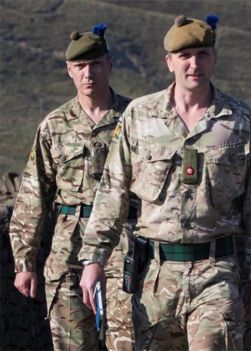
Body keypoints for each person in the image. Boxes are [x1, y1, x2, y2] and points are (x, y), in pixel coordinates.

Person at [77, 15, 251, 349]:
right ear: (169, 62)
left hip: (217, 272)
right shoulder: (140, 116)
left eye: (202, 54)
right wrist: (93, 259)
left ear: (214, 58)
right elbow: (112, 192)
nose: (194, 64)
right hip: (155, 275)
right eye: (185, 56)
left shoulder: (239, 120)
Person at [8, 24, 136, 351]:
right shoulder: (54, 126)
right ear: (69, 71)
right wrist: (25, 263)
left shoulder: (136, 119)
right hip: (68, 252)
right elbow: (32, 197)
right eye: (80, 66)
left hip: (124, 249)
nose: (88, 73)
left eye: (95, 64)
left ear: (109, 63)